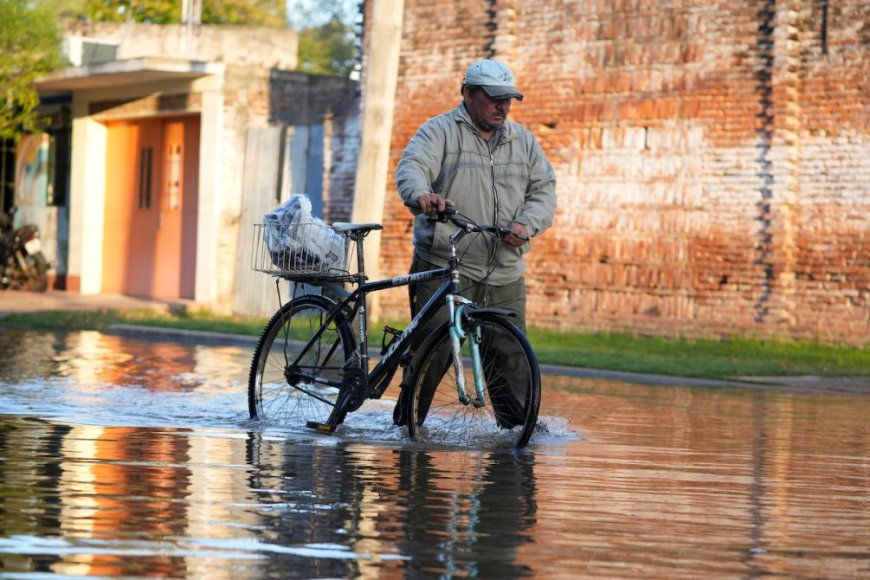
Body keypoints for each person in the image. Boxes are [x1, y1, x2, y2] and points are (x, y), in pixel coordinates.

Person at [392, 58, 557, 426]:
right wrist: (421, 195)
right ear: (467, 93)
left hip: (504, 269)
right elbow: (412, 167)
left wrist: (527, 225)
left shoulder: (524, 142)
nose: (503, 106)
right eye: (494, 98)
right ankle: (408, 427)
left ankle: (516, 434)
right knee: (432, 355)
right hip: (446, 265)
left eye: (509, 99)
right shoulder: (439, 131)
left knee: (513, 358)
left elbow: (543, 191)